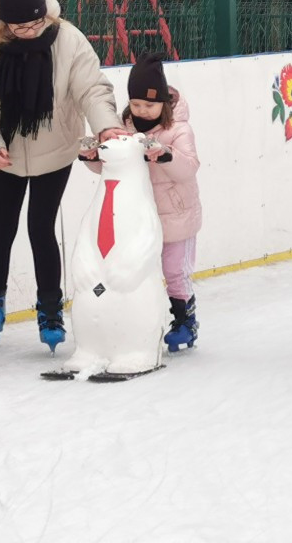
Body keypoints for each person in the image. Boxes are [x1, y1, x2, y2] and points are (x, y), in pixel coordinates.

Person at [0, 0, 125, 349]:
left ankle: (50, 310)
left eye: (37, 23)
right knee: (1, 229)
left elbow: (92, 89)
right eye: (21, 26)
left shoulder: (67, 39)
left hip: (55, 149)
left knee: (40, 228)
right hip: (5, 153)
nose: (31, 31)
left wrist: (107, 127)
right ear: (1, 24)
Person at [80, 53, 203, 352]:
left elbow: (189, 168)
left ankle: (185, 320)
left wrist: (165, 154)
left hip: (175, 216)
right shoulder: (124, 128)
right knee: (138, 271)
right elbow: (113, 167)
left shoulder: (178, 129)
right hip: (137, 218)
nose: (142, 111)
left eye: (149, 105)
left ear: (163, 103)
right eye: (136, 104)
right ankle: (139, 322)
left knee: (174, 271)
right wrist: (93, 157)